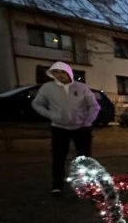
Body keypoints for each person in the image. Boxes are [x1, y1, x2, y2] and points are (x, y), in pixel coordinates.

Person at [32, 61, 100, 196]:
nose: (59, 75)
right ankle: (57, 185)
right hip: (59, 128)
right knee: (58, 157)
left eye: (61, 72)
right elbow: (37, 104)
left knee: (84, 157)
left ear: (68, 72)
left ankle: (86, 184)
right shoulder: (47, 88)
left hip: (81, 128)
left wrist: (88, 121)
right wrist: (51, 115)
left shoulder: (81, 87)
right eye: (55, 72)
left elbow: (94, 105)